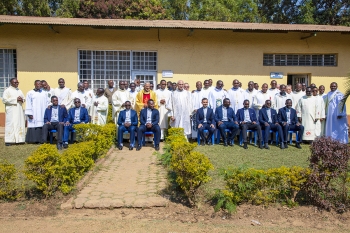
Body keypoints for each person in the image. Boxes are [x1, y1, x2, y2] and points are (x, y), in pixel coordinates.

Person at [2, 78, 26, 146]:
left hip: (19, 110)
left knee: (19, 123)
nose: (16, 84)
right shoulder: (7, 91)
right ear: (11, 83)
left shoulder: (19, 90)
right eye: (15, 82)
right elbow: (4, 100)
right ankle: (9, 140)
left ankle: (20, 139)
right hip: (11, 110)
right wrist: (15, 99)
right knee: (11, 124)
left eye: (17, 82)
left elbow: (23, 98)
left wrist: (22, 99)